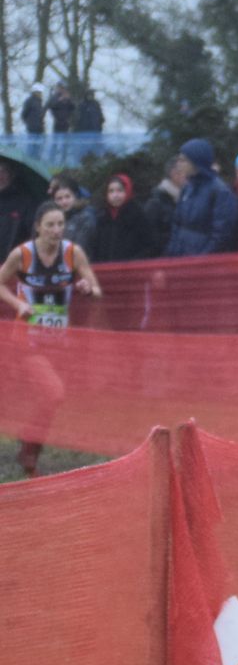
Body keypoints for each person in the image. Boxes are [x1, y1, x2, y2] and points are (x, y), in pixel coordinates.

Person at [3, 200, 103, 474]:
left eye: (60, 224)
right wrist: (18, 304)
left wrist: (86, 288)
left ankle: (29, 440)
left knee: (49, 397)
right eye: (50, 225)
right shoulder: (22, 255)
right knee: (53, 393)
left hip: (59, 343)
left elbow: (96, 290)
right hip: (27, 341)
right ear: (38, 227)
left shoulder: (73, 253)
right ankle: (30, 449)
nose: (57, 230)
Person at [162, 139, 238, 256]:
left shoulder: (220, 192)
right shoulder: (187, 188)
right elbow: (177, 225)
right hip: (180, 259)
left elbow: (221, 235)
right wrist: (171, 254)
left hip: (203, 263)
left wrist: (201, 260)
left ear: (196, 161)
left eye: (183, 160)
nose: (178, 163)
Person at [90, 174, 159, 263]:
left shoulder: (138, 216)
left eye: (120, 190)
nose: (115, 195)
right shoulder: (102, 218)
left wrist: (133, 263)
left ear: (128, 191)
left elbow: (151, 247)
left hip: (131, 269)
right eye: (111, 191)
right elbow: (95, 249)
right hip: (106, 269)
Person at [48, 177, 96, 253]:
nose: (64, 202)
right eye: (59, 199)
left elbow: (80, 247)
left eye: (67, 197)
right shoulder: (53, 217)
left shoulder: (86, 217)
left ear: (75, 196)